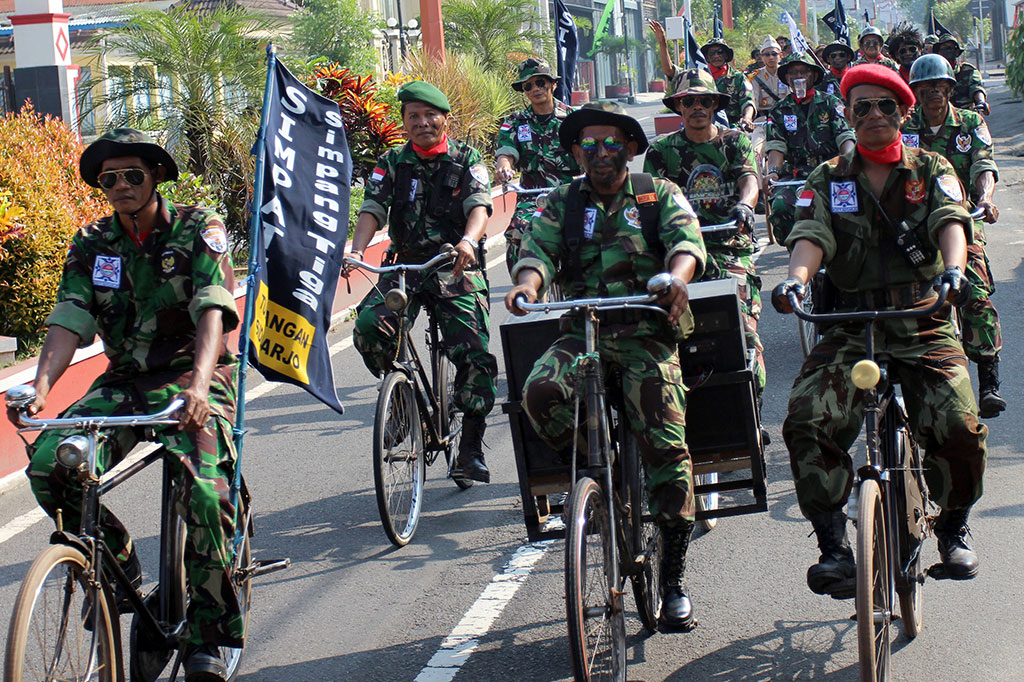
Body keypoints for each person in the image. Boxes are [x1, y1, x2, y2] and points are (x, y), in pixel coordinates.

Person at [8, 129, 244, 681]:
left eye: (132, 175)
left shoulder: (198, 228)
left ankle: (208, 635)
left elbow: (212, 307)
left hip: (194, 378)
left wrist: (200, 387)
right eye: (108, 179)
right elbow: (71, 316)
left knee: (205, 495)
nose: (120, 186)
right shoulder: (91, 242)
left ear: (155, 176)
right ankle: (118, 565)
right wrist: (40, 388)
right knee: (49, 466)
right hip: (125, 382)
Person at [773, 64, 987, 599]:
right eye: (862, 106)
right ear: (847, 115)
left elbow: (949, 221)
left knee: (960, 425)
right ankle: (834, 546)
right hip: (850, 325)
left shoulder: (930, 167)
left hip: (923, 320)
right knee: (806, 419)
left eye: (885, 105)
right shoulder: (827, 178)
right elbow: (811, 234)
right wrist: (796, 280)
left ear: (904, 113)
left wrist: (954, 272)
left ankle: (952, 527)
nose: (874, 114)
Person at [505, 101, 707, 631]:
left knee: (667, 450)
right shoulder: (562, 201)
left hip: (646, 334)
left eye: (611, 143)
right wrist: (527, 286)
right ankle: (597, 477)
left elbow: (686, 243)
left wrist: (677, 278)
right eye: (590, 145)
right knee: (539, 394)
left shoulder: (658, 193)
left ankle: (673, 577)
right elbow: (538, 252)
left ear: (631, 149)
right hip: (583, 334)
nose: (601, 153)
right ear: (576, 153)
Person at [348, 81, 498, 483]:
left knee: (473, 350)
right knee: (369, 328)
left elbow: (480, 207)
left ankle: (470, 447)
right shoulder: (393, 162)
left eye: (430, 115)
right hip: (406, 267)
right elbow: (373, 207)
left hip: (454, 265)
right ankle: (401, 401)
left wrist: (469, 241)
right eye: (413, 116)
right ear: (404, 122)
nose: (422, 123)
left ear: (444, 118)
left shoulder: (466, 158)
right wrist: (357, 251)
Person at [643, 68, 765, 402]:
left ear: (715, 105)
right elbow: (648, 202)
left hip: (728, 248)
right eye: (689, 101)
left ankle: (751, 401)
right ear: (678, 107)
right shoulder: (661, 151)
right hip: (679, 254)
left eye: (705, 101)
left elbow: (749, 179)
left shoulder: (734, 142)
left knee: (744, 335)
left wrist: (745, 205)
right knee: (662, 335)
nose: (697, 107)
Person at [902, 53, 1005, 417]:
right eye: (926, 87)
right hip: (913, 225)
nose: (934, 92)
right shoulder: (903, 125)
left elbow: (983, 164)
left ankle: (989, 379)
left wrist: (986, 198)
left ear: (950, 88)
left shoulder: (970, 122)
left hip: (962, 219)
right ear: (916, 91)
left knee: (974, 291)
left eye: (940, 86)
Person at [494, 58, 580, 274]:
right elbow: (506, 152)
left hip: (571, 193)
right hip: (532, 196)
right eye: (528, 86)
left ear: (553, 84)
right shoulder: (515, 122)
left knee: (589, 233)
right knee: (517, 232)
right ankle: (524, 285)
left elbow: (588, 154)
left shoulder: (573, 118)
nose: (535, 89)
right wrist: (503, 167)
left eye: (540, 82)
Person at [763, 53, 856, 244]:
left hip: (830, 170)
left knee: (848, 206)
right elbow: (776, 146)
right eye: (793, 72)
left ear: (813, 75)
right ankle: (796, 248)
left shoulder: (831, 103)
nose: (799, 76)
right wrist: (772, 172)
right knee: (781, 206)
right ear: (786, 78)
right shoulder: (780, 109)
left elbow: (845, 136)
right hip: (796, 173)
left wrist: (849, 162)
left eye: (804, 71)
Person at [700, 38, 756, 130]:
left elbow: (747, 101)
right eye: (712, 53)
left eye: (720, 52)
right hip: (705, 126)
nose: (716, 56)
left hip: (732, 126)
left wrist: (747, 118)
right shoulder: (701, 77)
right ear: (707, 57)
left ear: (726, 55)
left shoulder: (738, 78)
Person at [933, 32, 990, 114]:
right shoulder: (933, 73)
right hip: (940, 117)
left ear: (957, 52)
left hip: (966, 116)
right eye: (944, 48)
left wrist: (981, 102)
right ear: (938, 52)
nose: (948, 50)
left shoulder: (968, 70)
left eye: (951, 48)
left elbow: (976, 88)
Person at [749, 36, 788, 116]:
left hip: (785, 113)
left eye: (774, 54)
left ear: (780, 56)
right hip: (765, 115)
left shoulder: (787, 73)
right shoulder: (756, 77)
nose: (771, 57)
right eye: (767, 55)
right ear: (762, 57)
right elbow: (754, 101)